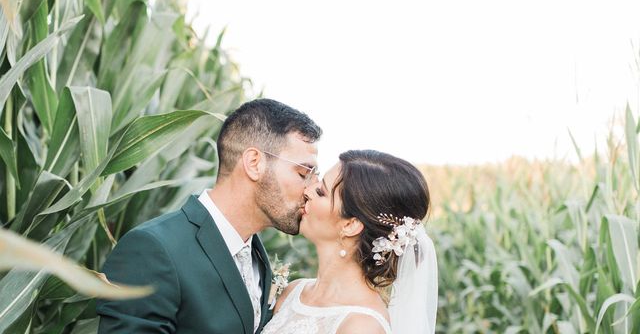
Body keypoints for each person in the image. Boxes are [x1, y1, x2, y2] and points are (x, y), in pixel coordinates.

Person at [96, 98, 322, 334]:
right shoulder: (153, 249)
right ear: (254, 163)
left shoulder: (259, 259)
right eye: (303, 172)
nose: (310, 190)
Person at [262, 149, 437, 334]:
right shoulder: (292, 292)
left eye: (321, 192)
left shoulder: (362, 326)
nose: (307, 190)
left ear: (351, 225)